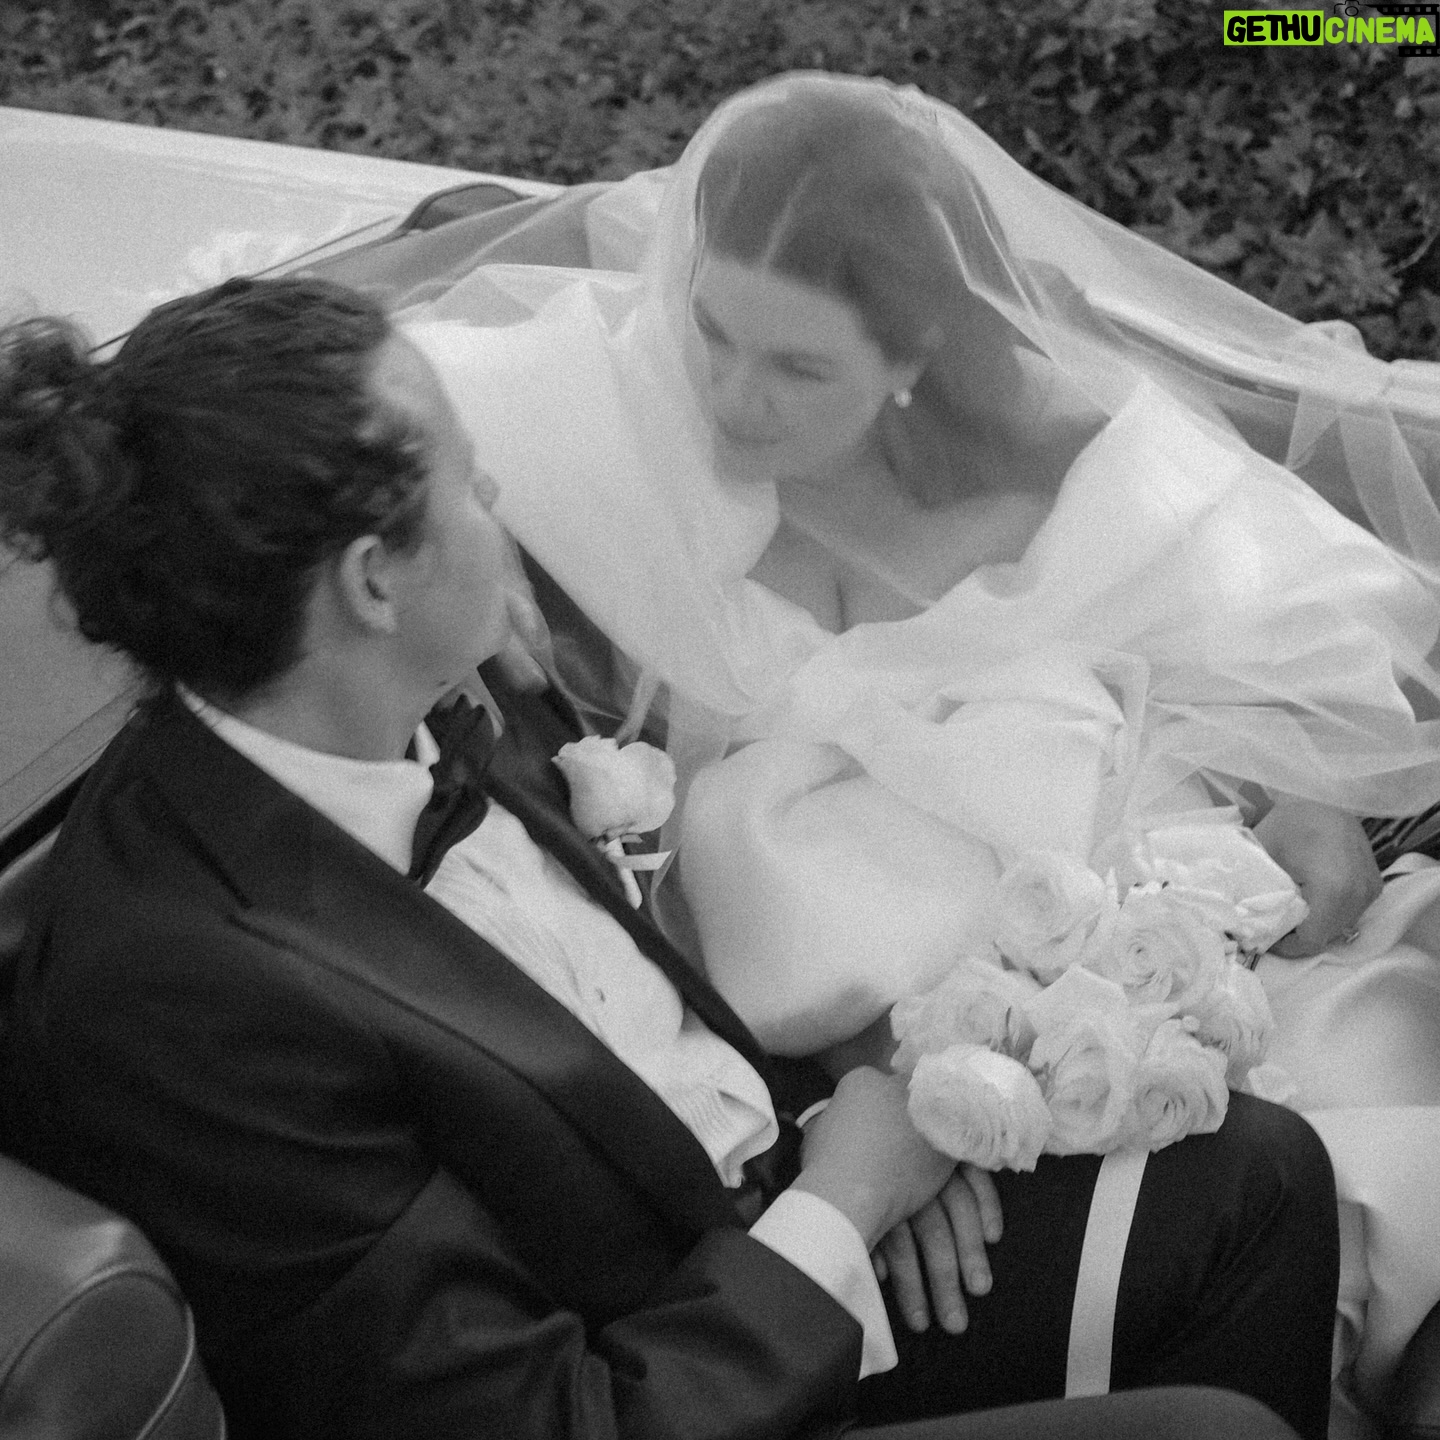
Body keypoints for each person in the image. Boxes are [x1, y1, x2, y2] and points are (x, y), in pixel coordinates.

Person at [0, 275, 1334, 1440]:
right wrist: (846, 1206)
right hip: (670, 1366)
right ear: (370, 582)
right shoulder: (182, 1005)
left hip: (757, 1217)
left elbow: (631, 1022)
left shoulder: (401, 697)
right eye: (468, 481)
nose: (500, 502)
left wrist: (852, 1122)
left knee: (1258, 1181)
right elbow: (534, 1419)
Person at [393, 72, 1440, 1429]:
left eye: (799, 368)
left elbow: (1319, 624)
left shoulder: (1070, 471)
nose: (732, 397)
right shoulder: (631, 434)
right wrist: (468, 530)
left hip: (1137, 952)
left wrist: (1305, 796)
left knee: (1360, 1132)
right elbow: (336, 379)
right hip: (828, 1046)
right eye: (713, 333)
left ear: (916, 357)